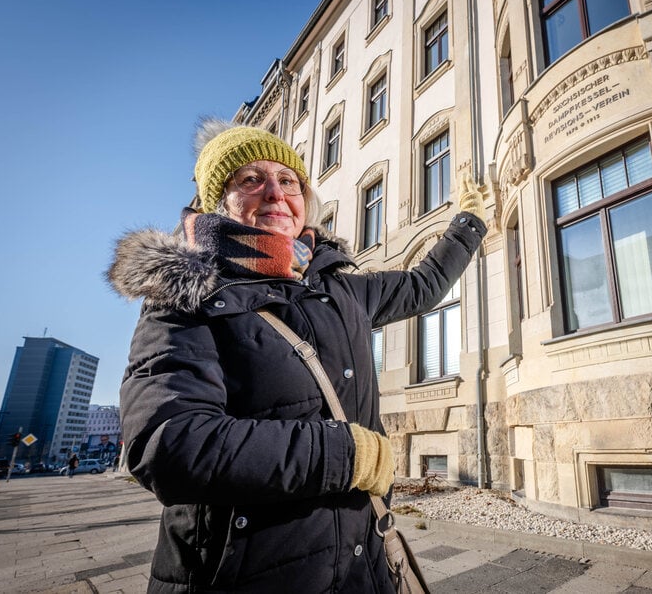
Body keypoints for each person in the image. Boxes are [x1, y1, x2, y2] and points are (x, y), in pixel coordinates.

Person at [107, 119, 486, 593]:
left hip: (359, 568)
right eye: (250, 179)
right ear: (215, 202)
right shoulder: (187, 296)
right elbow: (168, 444)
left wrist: (468, 224)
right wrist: (346, 455)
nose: (274, 192)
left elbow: (422, 286)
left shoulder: (337, 287)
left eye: (288, 180)